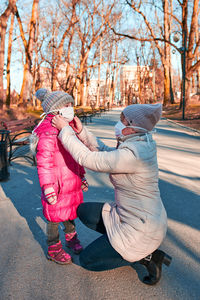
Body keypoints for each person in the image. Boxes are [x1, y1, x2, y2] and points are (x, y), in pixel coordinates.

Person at [51, 103, 172, 284]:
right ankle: (114, 243)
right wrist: (82, 132)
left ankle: (147, 257)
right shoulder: (139, 142)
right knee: (83, 211)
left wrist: (64, 131)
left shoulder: (135, 154)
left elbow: (88, 159)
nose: (119, 124)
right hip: (133, 217)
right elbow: (106, 153)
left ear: (133, 127)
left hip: (142, 229)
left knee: (87, 261)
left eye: (123, 121)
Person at [31, 88, 88, 265]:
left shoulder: (68, 127)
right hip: (56, 185)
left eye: (71, 104)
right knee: (54, 217)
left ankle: (71, 239)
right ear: (55, 110)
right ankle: (53, 248)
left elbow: (76, 154)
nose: (71, 108)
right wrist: (47, 186)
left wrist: (82, 176)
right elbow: (44, 163)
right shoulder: (48, 130)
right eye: (66, 105)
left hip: (72, 180)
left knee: (71, 213)